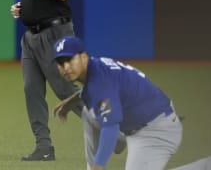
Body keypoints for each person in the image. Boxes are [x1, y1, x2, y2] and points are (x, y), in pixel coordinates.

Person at [9, 0, 83, 161]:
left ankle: (110, 129)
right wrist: (22, 7)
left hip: (55, 32)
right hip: (31, 37)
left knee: (64, 90)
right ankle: (44, 147)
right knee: (32, 90)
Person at [52, 36, 183, 170]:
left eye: (70, 60)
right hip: (140, 122)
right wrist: (71, 101)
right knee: (88, 112)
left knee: (106, 123)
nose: (66, 67)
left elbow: (110, 127)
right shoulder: (96, 67)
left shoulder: (100, 84)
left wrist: (99, 165)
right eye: (61, 63)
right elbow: (96, 90)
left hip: (155, 131)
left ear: (84, 57)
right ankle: (100, 159)